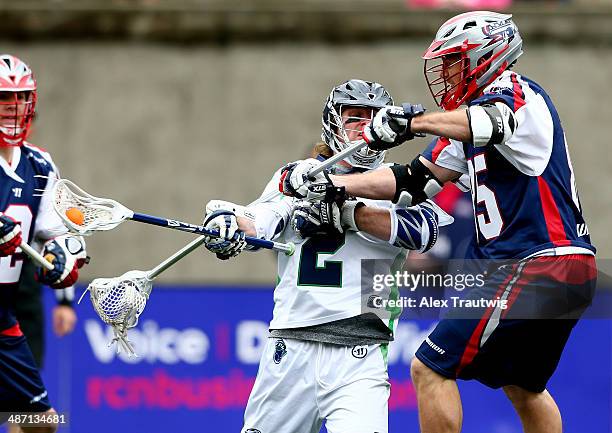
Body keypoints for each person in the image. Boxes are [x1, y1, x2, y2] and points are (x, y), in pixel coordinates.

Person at [280, 12, 597, 433]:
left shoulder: (517, 96)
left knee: (428, 368)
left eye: (453, 62)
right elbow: (410, 182)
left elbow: (487, 123)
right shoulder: (467, 122)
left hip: (533, 261)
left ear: (485, 54)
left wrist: (410, 123)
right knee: (523, 386)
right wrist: (334, 183)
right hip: (564, 266)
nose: (446, 73)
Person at [200, 79, 450, 433]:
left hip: (360, 352)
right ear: (334, 121)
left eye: (373, 117)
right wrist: (230, 224)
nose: (364, 126)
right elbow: (261, 223)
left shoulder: (396, 182)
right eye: (354, 117)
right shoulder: (299, 175)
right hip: (290, 346)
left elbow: (424, 233)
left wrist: (346, 211)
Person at [0, 54, 88, 433]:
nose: (14, 108)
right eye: (5, 98)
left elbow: (61, 231)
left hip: (5, 317)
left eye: (21, 98)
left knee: (41, 423)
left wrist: (63, 260)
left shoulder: (38, 163)